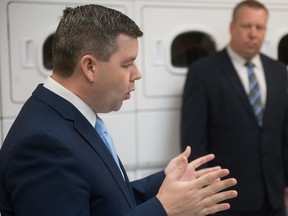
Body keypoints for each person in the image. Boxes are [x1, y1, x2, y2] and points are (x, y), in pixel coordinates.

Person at [0, 4, 237, 216]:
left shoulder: (65, 116)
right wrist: (165, 209)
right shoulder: (42, 144)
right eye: (127, 64)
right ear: (90, 66)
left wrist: (165, 181)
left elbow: (107, 201)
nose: (137, 74)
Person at [181, 0, 288, 216]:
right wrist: (203, 192)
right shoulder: (202, 73)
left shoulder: (278, 71)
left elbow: (284, 132)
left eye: (259, 27)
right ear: (232, 27)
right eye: (246, 26)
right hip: (226, 199)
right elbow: (194, 140)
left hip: (274, 198)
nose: (253, 33)